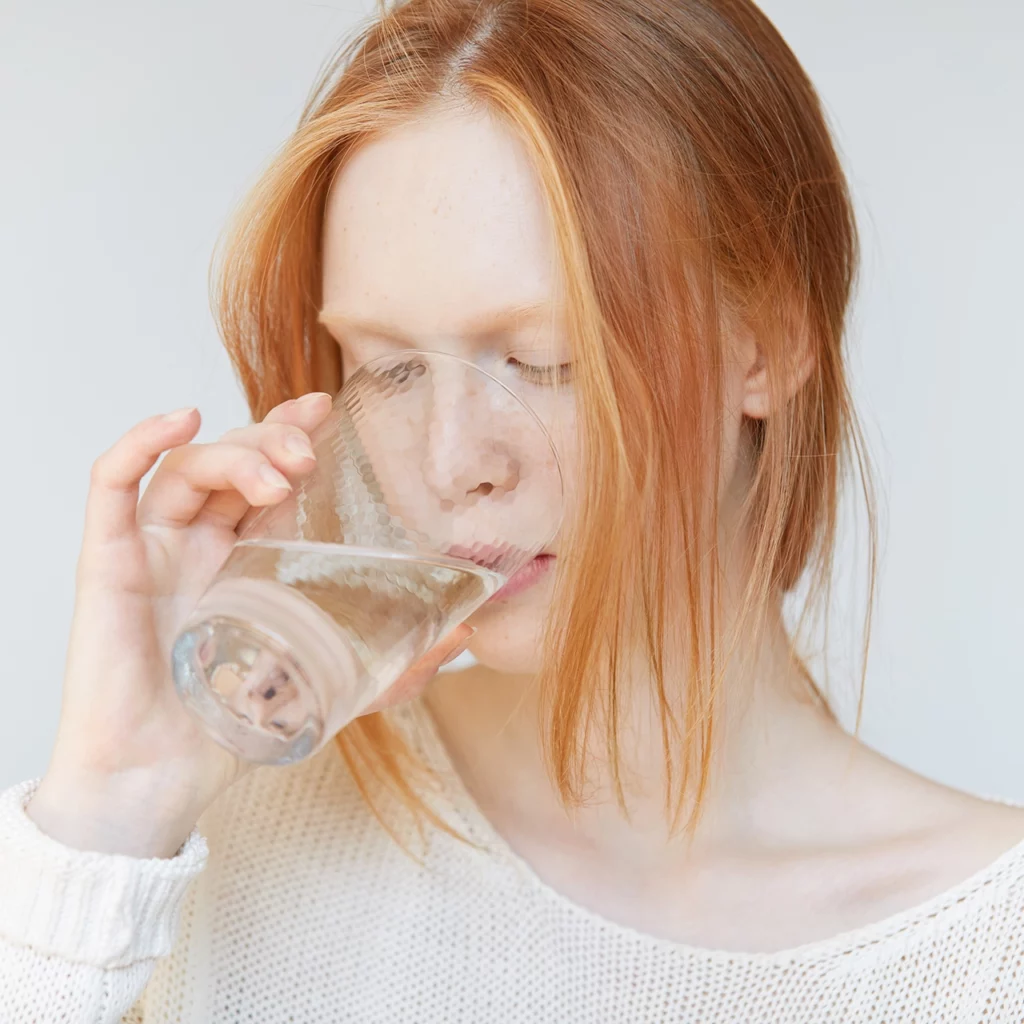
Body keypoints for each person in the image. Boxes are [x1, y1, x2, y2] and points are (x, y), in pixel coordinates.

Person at [2, 1, 1022, 1021]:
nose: (452, 463)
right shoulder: (202, 846)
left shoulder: (983, 954)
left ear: (766, 344)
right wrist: (107, 819)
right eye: (389, 369)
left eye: (545, 359)